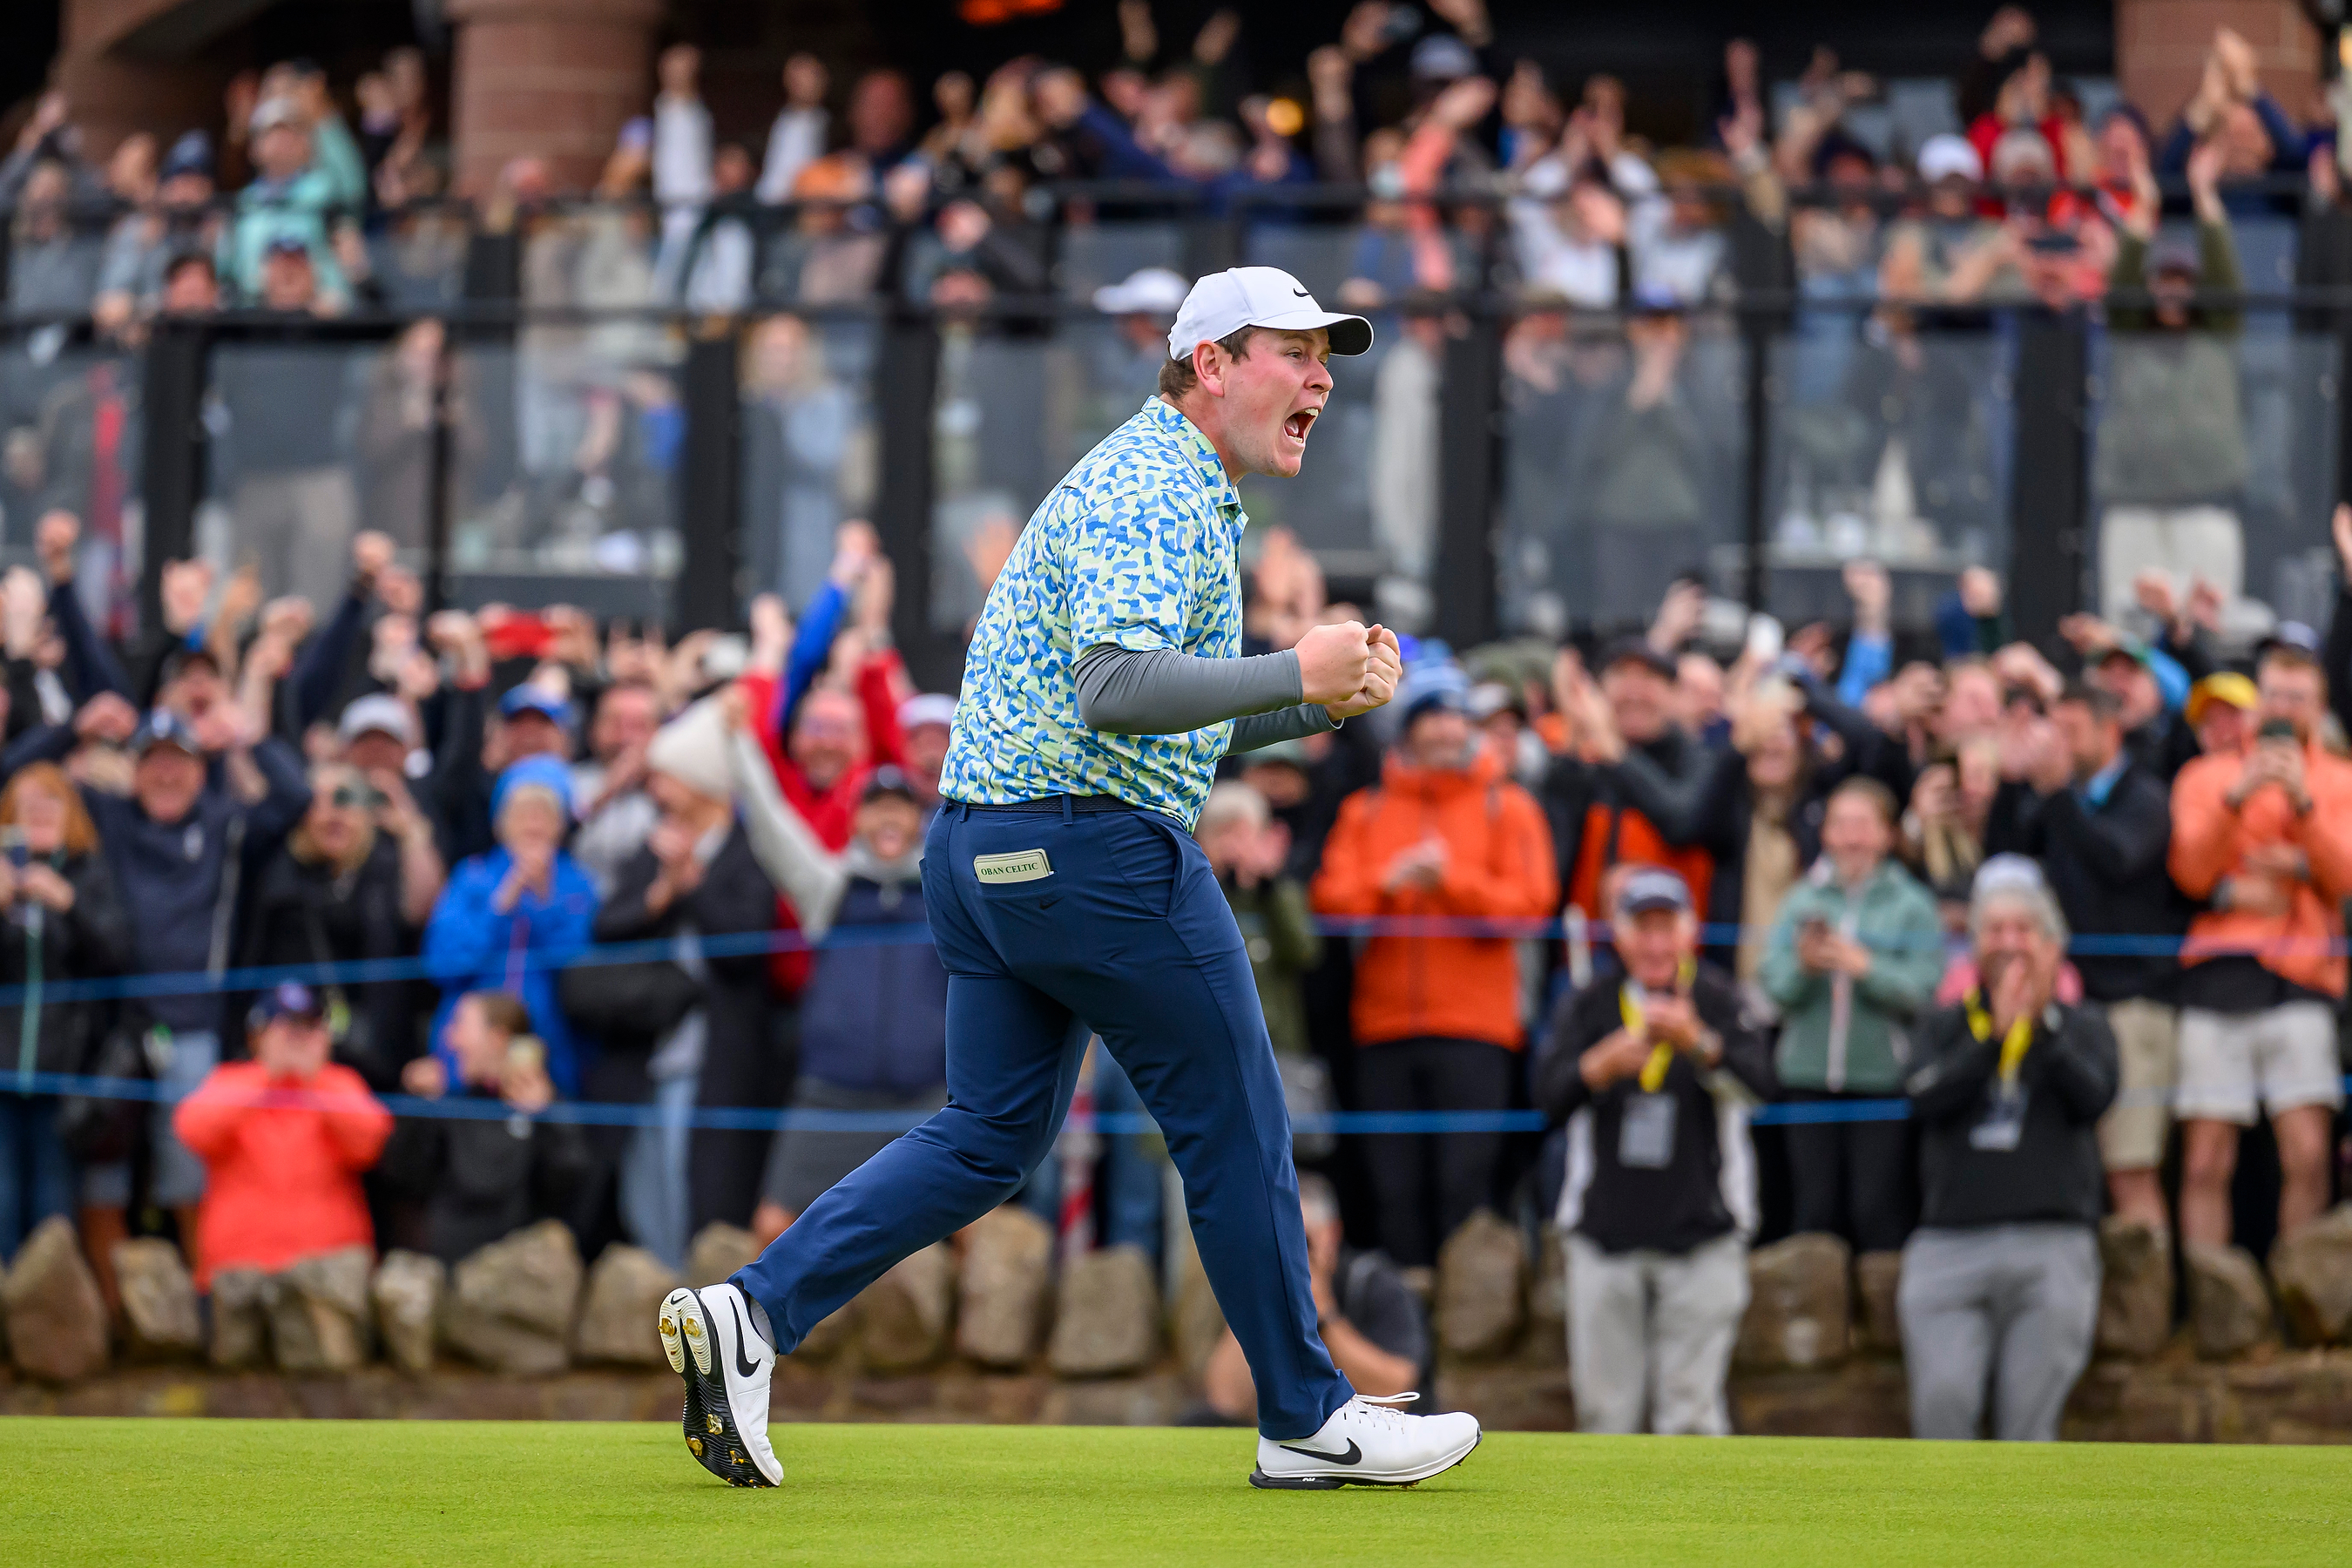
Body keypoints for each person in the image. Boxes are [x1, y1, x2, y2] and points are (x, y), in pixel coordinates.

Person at [659, 266, 1478, 1495]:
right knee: (1241, 1121)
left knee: (990, 1135)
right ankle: (1308, 1415)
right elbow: (1114, 689)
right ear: (1211, 365)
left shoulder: (1165, 478)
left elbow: (1153, 711)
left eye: (1329, 356)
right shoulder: (1158, 484)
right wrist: (1291, 671)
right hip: (1094, 854)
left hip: (988, 856)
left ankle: (754, 1316)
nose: (1321, 376)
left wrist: (1309, 703)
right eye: (1295, 351)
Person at [1310, 666, 1558, 1271]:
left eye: (1456, 717)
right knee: (1394, 1191)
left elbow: (1531, 905)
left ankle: (1469, 1329)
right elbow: (1331, 900)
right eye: (1432, 716)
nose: (1447, 730)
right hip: (1384, 1028)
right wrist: (1387, 883)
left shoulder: (1510, 806)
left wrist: (1452, 882)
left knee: (1464, 1187)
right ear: (1409, 729)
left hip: (1477, 1030)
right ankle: (1405, 1330)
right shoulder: (1366, 810)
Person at [1536, 868, 1776, 1436]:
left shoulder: (1718, 998)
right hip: (1602, 1237)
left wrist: (1701, 1046)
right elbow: (1547, 1098)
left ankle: (1698, 1527)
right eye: (1642, 929)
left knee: (1691, 1417)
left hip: (1705, 1236)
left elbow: (1763, 1086)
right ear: (1618, 935)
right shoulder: (1590, 1002)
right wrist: (1598, 1067)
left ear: (1690, 933)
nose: (1655, 944)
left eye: (1666, 929)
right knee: (1604, 1416)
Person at [1899, 870, 2117, 1441]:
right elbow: (1924, 1099)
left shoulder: (2083, 1025)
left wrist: (2040, 1030)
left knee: (2029, 1432)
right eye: (1994, 929)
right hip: (1950, 1246)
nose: (2009, 942)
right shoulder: (1944, 1025)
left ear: (2052, 946)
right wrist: (1992, 1041)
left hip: (2052, 1246)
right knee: (1943, 1407)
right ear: (1973, 945)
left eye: (2024, 929)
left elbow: (2094, 1098)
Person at [1984, 682, 2193, 1230]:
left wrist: (2054, 796)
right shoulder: (2060, 801)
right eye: (2056, 732)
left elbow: (2117, 860)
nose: (2061, 745)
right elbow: (2005, 862)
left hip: (2133, 1006)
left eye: (2072, 732)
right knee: (2077, 1167)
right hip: (2071, 1007)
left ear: (2110, 731)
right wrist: (2010, 784)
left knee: (2130, 1169)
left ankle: (2150, 1306)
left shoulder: (2144, 797)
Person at [2166, 639, 2352, 1251]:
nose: (2285, 707)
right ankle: (2219, 1302)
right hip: (2218, 975)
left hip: (2303, 977)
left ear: (2319, 706)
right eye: (2275, 694)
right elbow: (2190, 872)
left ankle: (2301, 1302)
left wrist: (2303, 813)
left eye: (2298, 698)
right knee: (2204, 1159)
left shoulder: (2341, 780)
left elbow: (2346, 876)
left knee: (2306, 1153)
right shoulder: (2206, 776)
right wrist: (2237, 797)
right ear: (2257, 703)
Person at [732, 722, 944, 1241]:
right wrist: (736, 741)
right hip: (831, 1097)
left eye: (901, 806)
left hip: (927, 1101)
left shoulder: (947, 892)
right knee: (772, 1226)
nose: (889, 816)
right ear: (857, 820)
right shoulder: (830, 887)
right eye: (876, 805)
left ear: (919, 820)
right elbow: (770, 825)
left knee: (970, 1231)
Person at [592, 700, 779, 1250]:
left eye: (666, 778)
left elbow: (746, 950)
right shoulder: (654, 847)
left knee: (697, 1193)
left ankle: (692, 1313)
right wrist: (659, 896)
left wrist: (693, 885)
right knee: (641, 1192)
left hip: (714, 1061)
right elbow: (605, 927)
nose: (655, 791)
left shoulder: (748, 853)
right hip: (645, 1053)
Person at [1761, 776, 1943, 1254]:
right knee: (1813, 1213)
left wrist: (1866, 968)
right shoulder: (1801, 899)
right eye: (1840, 825)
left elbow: (1927, 991)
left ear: (1887, 835)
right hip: (1807, 1079)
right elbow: (1773, 986)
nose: (1851, 837)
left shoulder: (1912, 905)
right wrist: (1804, 967)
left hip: (1881, 1081)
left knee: (1877, 1211)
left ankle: (1879, 1325)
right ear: (1825, 835)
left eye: (1863, 825)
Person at [171, 982, 393, 1290]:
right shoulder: (232, 1080)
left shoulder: (338, 1082)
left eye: (308, 1027)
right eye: (285, 1028)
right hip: (242, 1271)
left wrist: (315, 1079)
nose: (297, 1038)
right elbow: (193, 1130)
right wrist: (266, 1074)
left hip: (328, 1271)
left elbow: (371, 1143)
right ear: (257, 1036)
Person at [0, 763, 129, 1264]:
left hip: (64, 1073)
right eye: (27, 804)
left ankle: (52, 1326)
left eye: (52, 802)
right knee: (2, 1201)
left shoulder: (88, 872)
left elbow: (118, 955)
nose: (40, 813)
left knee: (54, 1208)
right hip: (3, 1072)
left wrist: (69, 904)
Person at [422, 757, 598, 1098]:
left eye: (544, 813)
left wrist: (547, 903)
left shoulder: (578, 885)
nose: (533, 823)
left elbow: (579, 972)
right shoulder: (471, 877)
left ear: (561, 825)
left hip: (549, 1055)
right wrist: (499, 906)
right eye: (522, 812)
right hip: (466, 1056)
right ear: (500, 823)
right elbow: (442, 963)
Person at [382, 990, 591, 1266]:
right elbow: (403, 1176)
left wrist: (546, 1118)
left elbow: (569, 1187)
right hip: (451, 1268)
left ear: (497, 1038)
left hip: (521, 1274)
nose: (450, 1040)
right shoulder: (452, 1106)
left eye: (460, 1025)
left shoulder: (547, 1108)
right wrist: (416, 1106)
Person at [1202, 1174, 1426, 1423]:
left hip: (1375, 1431)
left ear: (1332, 1233)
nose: (1292, 1253)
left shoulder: (1372, 1283)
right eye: (1278, 1239)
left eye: (1302, 1239)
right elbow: (1225, 1400)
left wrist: (1323, 1314)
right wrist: (1261, 1299)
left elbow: (1396, 1395)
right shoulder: (1254, 1283)